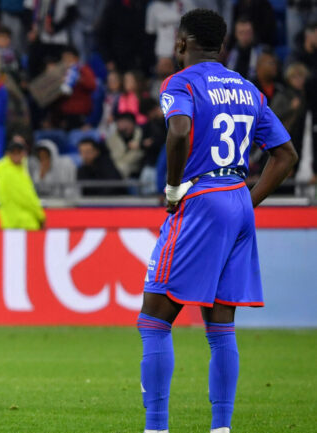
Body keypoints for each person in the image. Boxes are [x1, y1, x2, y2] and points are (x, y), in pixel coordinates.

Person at [139, 9, 298, 433]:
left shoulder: (182, 82)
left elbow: (177, 131)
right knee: (220, 324)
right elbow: (286, 155)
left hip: (202, 197)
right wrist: (249, 198)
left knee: (154, 318)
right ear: (222, 46)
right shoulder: (247, 89)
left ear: (181, 43)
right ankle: (221, 428)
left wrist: (173, 189)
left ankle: (155, 427)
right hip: (237, 199)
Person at [0, 139, 46, 230]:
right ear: (7, 154)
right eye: (13, 152)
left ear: (24, 154)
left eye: (19, 152)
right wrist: (40, 215)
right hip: (25, 223)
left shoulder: (17, 169)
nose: (16, 155)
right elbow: (26, 197)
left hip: (9, 222)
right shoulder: (9, 172)